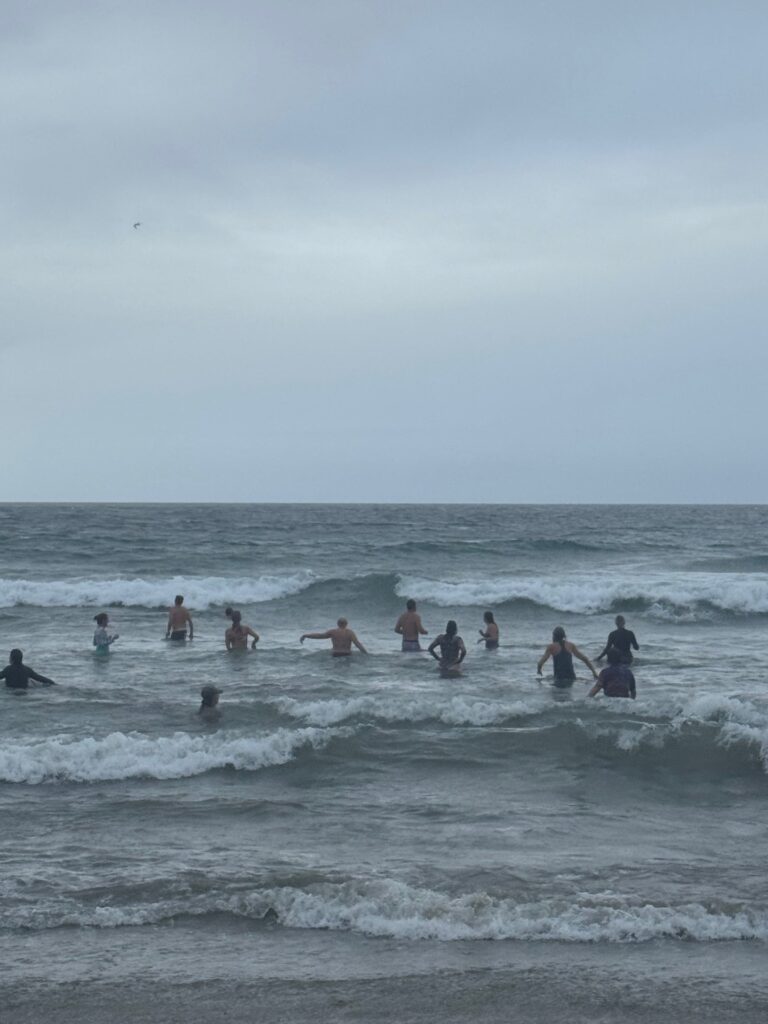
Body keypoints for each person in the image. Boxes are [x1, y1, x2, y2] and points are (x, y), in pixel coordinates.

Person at [300, 618, 368, 656]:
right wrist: (366, 654)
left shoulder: (333, 632)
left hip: (335, 653)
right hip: (346, 653)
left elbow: (320, 636)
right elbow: (357, 644)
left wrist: (306, 635)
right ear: (346, 624)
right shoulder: (350, 633)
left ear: (337, 624)